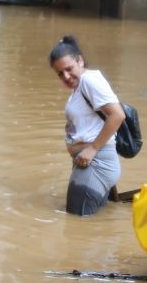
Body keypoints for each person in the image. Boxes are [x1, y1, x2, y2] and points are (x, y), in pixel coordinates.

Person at [49, 35, 126, 215]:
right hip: (90, 163)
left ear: (80, 60)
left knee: (76, 225)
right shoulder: (81, 85)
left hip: (95, 163)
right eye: (60, 73)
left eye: (69, 69)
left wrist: (92, 148)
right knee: (89, 227)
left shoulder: (89, 81)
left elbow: (117, 115)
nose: (66, 76)